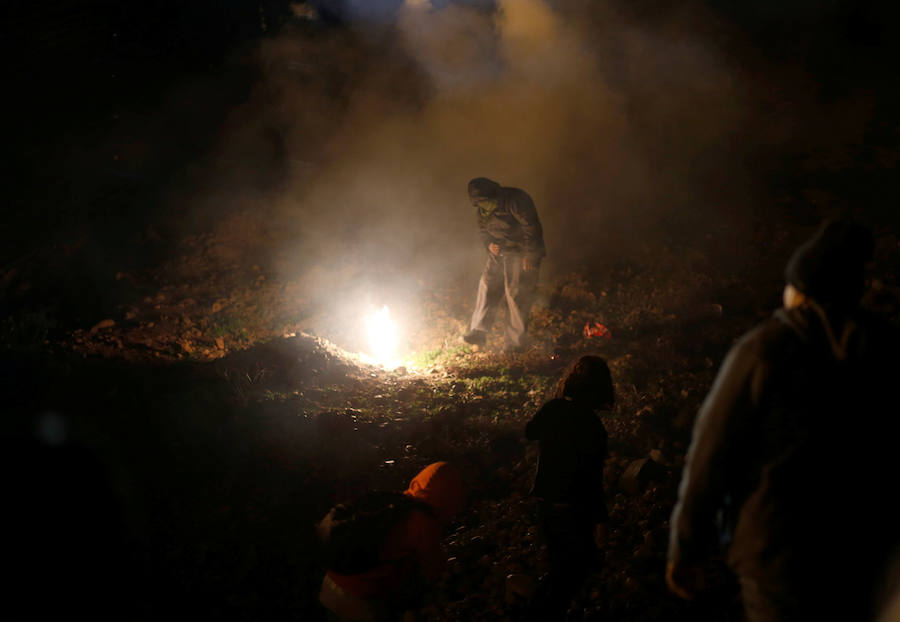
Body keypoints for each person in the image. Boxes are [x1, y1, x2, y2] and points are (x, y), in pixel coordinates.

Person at [667, 219, 900, 621]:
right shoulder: (886, 349)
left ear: (802, 291)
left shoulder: (765, 349)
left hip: (777, 553)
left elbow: (710, 454)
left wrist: (686, 549)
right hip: (864, 553)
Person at [318, 462, 464, 622]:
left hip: (332, 585)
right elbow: (433, 571)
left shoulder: (399, 501)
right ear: (448, 494)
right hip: (360, 602)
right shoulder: (423, 522)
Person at [524, 355, 612, 620]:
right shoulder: (594, 427)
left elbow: (530, 432)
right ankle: (535, 612)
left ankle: (536, 609)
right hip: (574, 511)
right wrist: (601, 520)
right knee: (573, 572)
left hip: (545, 505)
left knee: (561, 568)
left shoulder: (554, 409)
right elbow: (593, 480)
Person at [462, 177, 546, 352]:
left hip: (520, 252)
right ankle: (479, 331)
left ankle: (516, 344)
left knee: (515, 295)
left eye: (484, 201)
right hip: (499, 254)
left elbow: (531, 227)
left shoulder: (515, 199)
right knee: (487, 285)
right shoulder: (482, 209)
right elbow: (483, 230)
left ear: (491, 195)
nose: (481, 205)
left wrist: (531, 254)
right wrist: (489, 245)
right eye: (478, 203)